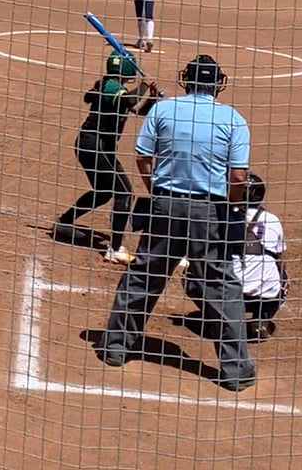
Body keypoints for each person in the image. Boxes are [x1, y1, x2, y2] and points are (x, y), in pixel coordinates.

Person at [95, 54, 255, 392]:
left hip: (165, 205)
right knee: (221, 287)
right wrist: (230, 206)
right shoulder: (233, 119)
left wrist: (156, 192)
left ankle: (115, 346)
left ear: (187, 80)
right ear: (217, 84)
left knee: (144, 275)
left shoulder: (163, 110)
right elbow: (239, 176)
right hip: (209, 211)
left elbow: (142, 157)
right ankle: (236, 371)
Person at [52, 51, 161, 265]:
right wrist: (144, 85)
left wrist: (152, 97)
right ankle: (115, 249)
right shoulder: (112, 86)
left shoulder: (113, 86)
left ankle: (64, 222)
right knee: (124, 192)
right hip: (94, 146)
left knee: (103, 191)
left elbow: (137, 109)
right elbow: (130, 100)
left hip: (96, 146)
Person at [184, 174, 287, 341]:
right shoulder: (272, 220)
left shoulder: (221, 216)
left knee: (190, 272)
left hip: (228, 295)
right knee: (283, 276)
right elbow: (280, 260)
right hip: (264, 296)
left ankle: (216, 320)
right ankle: (261, 320)